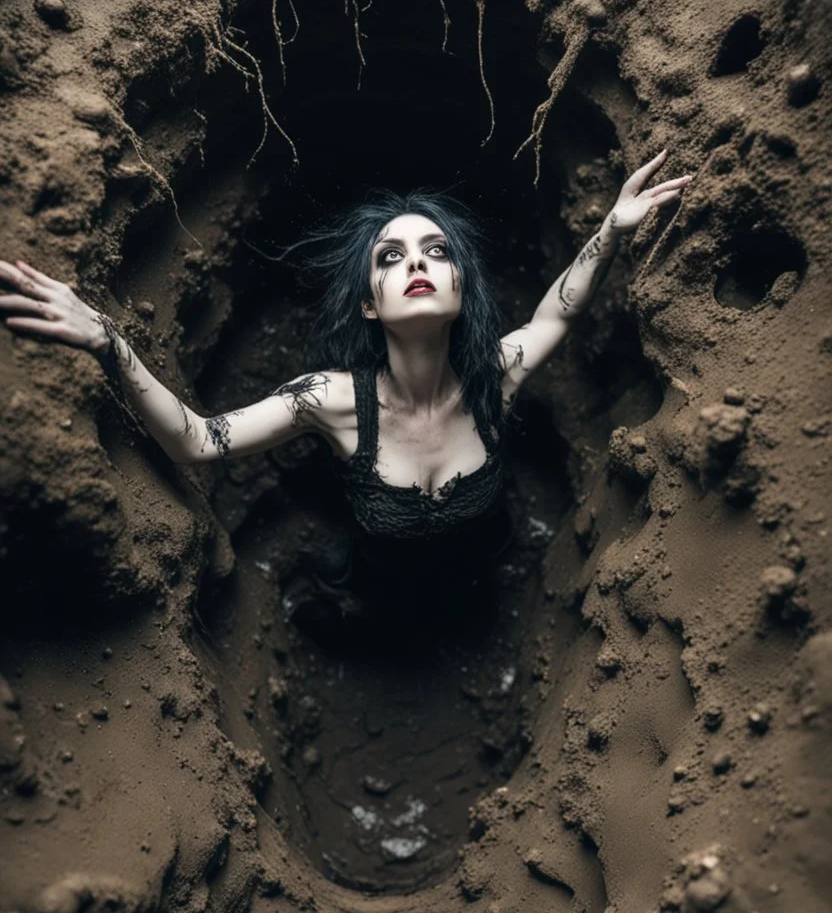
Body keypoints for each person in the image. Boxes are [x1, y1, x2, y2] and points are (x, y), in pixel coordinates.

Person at [0, 150, 692, 632]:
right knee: (350, 600)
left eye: (437, 251)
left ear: (460, 287)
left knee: (472, 581)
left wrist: (612, 228)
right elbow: (197, 439)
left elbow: (557, 313)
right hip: (374, 572)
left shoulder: (497, 372)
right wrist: (108, 341)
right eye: (391, 258)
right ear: (369, 304)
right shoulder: (328, 399)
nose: (417, 261)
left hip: (477, 555)